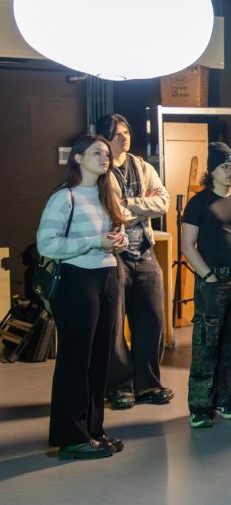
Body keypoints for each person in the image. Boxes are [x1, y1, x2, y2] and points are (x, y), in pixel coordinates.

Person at [37, 134, 128, 459]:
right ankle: (71, 437)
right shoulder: (65, 197)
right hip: (77, 281)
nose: (105, 158)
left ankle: (93, 430)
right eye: (97, 153)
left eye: (106, 154)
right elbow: (46, 244)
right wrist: (93, 241)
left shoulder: (106, 195)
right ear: (77, 158)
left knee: (101, 358)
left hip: (107, 277)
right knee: (76, 359)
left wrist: (118, 242)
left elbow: (115, 235)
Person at [95, 113, 174, 411]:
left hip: (145, 251)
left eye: (126, 132)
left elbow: (163, 202)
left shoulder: (142, 166)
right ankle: (119, 387)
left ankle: (149, 384)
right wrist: (141, 206)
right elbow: (110, 213)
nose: (124, 138)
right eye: (117, 134)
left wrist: (129, 204)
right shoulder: (101, 171)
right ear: (105, 137)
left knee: (153, 320)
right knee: (115, 324)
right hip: (114, 256)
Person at [180, 142, 231, 429]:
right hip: (212, 282)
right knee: (206, 344)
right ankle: (199, 408)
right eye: (225, 166)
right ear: (212, 170)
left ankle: (225, 399)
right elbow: (187, 245)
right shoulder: (198, 203)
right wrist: (208, 276)